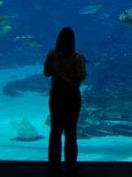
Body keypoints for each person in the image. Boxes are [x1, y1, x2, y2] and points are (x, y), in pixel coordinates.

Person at [44, 27, 86, 174]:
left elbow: (46, 73)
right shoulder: (77, 57)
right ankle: (71, 165)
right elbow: (81, 77)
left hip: (56, 94)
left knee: (55, 130)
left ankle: (53, 166)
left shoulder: (52, 54)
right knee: (71, 131)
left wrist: (58, 70)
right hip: (72, 95)